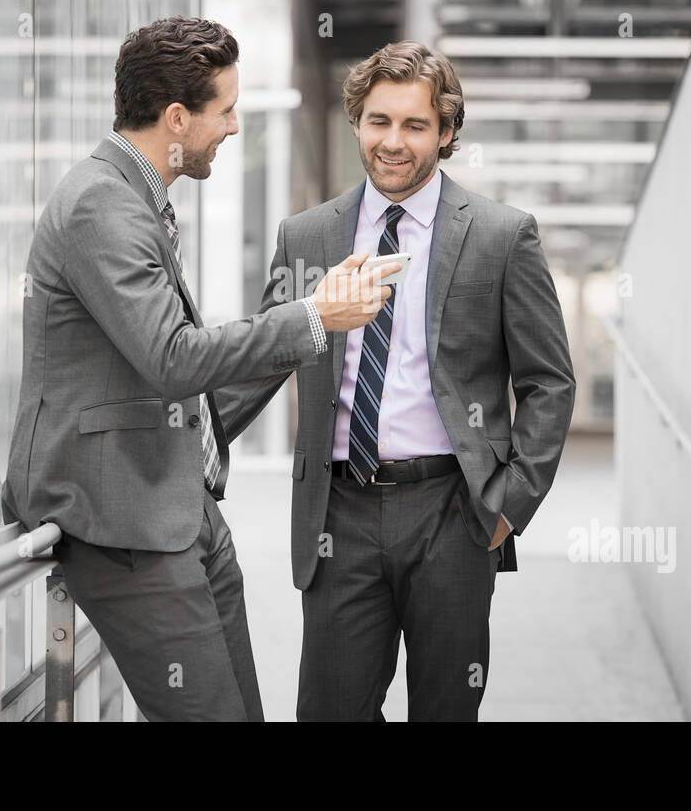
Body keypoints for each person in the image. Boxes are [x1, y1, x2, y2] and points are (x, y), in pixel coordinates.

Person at [1, 16, 397, 722]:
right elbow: (172, 357)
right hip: (119, 519)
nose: (236, 126)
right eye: (227, 110)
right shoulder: (101, 204)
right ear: (177, 117)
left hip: (177, 505)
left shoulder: (137, 201)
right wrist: (314, 317)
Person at [217, 40, 576, 720]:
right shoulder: (307, 235)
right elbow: (269, 353)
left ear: (446, 133)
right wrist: (189, 442)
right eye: (379, 121)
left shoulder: (502, 236)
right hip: (339, 512)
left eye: (415, 125)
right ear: (357, 121)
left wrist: (507, 504)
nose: (393, 141)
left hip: (454, 510)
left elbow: (548, 380)